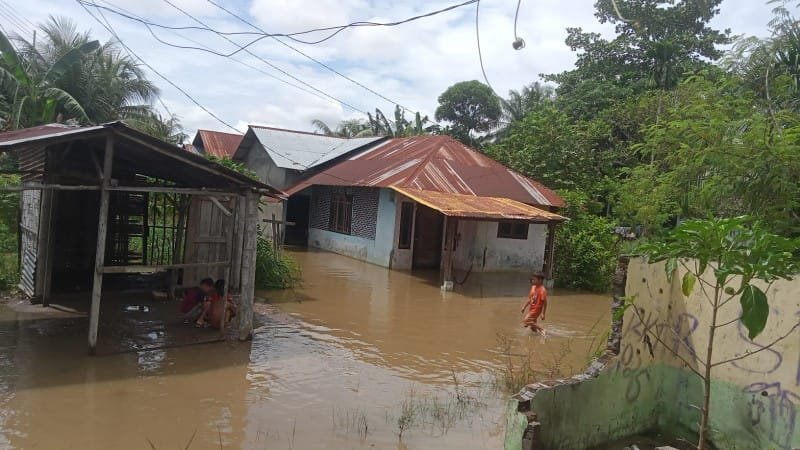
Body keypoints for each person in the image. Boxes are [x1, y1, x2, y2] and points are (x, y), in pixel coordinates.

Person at [521, 272, 548, 336]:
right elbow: (530, 299)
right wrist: (524, 307)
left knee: (526, 321)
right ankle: (537, 335)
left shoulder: (542, 290)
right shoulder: (533, 287)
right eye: (532, 279)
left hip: (537, 309)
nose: (532, 281)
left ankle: (542, 329)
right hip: (531, 308)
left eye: (534, 279)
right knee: (532, 327)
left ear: (540, 280)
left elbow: (545, 302)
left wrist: (543, 313)